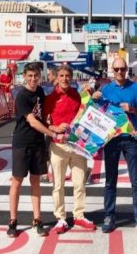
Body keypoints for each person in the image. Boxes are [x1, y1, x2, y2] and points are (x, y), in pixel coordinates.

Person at [92, 57, 137, 235]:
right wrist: (93, 97)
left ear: (127, 70)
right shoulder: (106, 89)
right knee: (110, 180)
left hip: (131, 138)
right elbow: (93, 110)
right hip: (112, 139)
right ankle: (109, 215)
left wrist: (132, 109)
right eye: (116, 69)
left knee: (136, 180)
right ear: (112, 69)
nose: (119, 72)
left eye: (122, 69)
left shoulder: (136, 87)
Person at [43, 64, 96, 234]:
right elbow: (45, 122)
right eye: (62, 75)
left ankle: (79, 215)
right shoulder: (50, 98)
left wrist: (92, 94)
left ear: (71, 77)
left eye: (68, 76)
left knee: (79, 183)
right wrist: (54, 127)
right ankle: (61, 218)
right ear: (56, 77)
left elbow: (90, 112)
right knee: (58, 185)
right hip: (58, 146)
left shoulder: (78, 95)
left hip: (78, 146)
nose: (65, 78)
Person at [8, 62, 58, 237]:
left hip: (38, 143)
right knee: (17, 181)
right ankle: (13, 221)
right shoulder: (21, 96)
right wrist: (51, 132)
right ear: (24, 76)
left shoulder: (40, 92)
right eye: (29, 76)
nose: (33, 79)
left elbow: (43, 117)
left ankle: (37, 219)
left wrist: (54, 126)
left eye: (35, 76)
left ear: (40, 76)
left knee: (36, 181)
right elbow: (33, 121)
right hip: (22, 142)